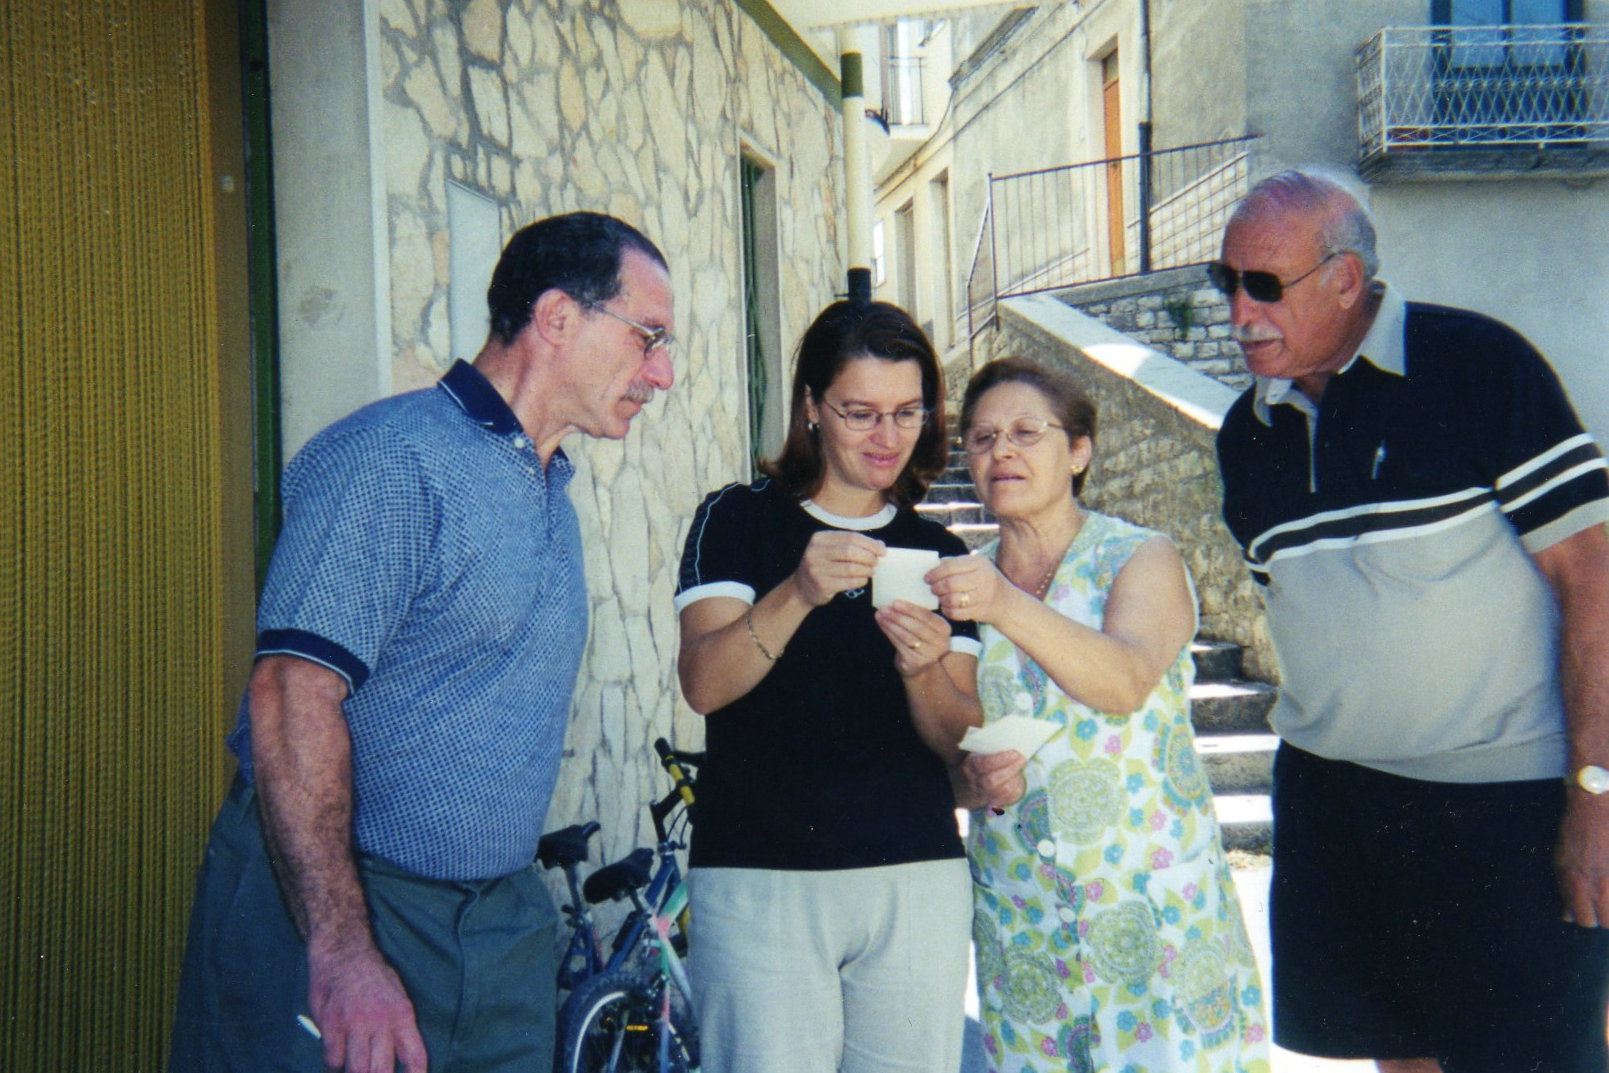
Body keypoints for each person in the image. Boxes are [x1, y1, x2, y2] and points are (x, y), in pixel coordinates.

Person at [168, 212, 676, 1073]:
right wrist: (341, 953)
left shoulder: (546, 484)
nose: (660, 373)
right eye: (647, 337)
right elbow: (292, 692)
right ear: (556, 318)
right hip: (347, 911)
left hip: (498, 927)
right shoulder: (391, 460)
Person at [1211, 169, 1609, 1072]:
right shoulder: (1245, 437)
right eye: (1225, 280)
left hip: (1502, 802)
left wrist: (1596, 792)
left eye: (1263, 284)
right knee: (1394, 1058)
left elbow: (1591, 577)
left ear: (1346, 279)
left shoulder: (1476, 365)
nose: (1238, 310)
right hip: (1336, 802)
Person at [933, 357, 1269, 1073]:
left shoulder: (1137, 557)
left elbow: (1124, 678)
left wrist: (1000, 603)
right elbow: (950, 757)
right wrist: (974, 776)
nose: (1002, 451)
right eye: (982, 437)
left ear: (1078, 450)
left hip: (1149, 910)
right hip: (1024, 914)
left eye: (1027, 432)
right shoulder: (960, 581)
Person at [674, 299, 982, 1073]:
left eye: (908, 411)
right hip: (759, 874)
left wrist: (925, 665)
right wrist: (797, 593)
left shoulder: (937, 548)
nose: (888, 437)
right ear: (811, 406)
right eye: (860, 412)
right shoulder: (737, 519)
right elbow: (703, 683)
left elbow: (954, 736)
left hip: (912, 872)